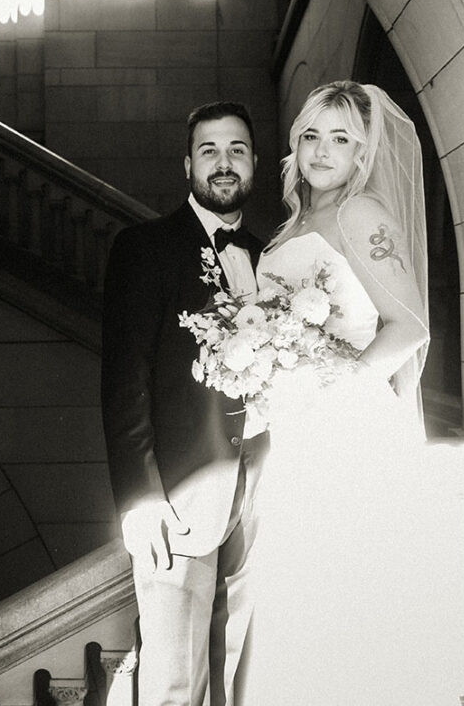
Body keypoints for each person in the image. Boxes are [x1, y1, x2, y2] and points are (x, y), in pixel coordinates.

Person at [238, 80, 464, 705]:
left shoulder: (358, 214)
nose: (321, 151)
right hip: (296, 430)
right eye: (311, 135)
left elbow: (411, 324)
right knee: (304, 594)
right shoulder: (293, 227)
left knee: (346, 592)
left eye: (340, 139)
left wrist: (341, 381)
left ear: (363, 153)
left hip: (348, 425)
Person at [101, 101, 269, 706]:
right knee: (174, 683)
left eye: (237, 151)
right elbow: (126, 383)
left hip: (260, 497)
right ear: (187, 164)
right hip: (179, 500)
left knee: (238, 679)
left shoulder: (271, 253)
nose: (224, 164)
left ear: (254, 163)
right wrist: (140, 500)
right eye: (210, 151)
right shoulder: (143, 248)